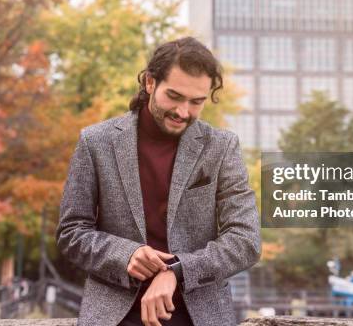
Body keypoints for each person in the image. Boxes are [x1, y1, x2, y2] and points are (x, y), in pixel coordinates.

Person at [56, 37, 261, 326]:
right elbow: (71, 232)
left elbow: (246, 241)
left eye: (196, 102)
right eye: (174, 97)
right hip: (114, 317)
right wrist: (126, 255)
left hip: (200, 316)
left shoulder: (222, 147)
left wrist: (176, 270)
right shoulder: (95, 142)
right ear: (150, 82)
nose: (183, 112)